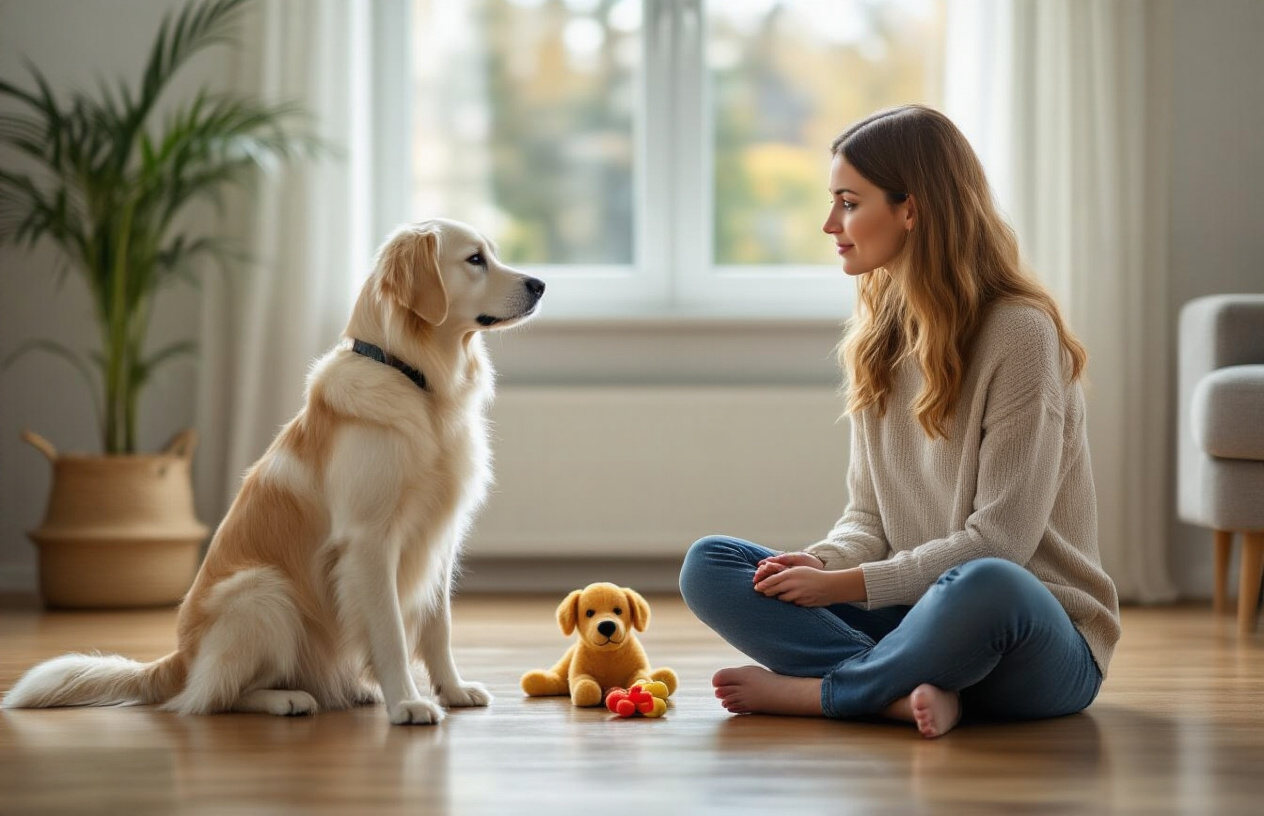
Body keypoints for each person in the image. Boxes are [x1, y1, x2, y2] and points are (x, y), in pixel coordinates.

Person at [677, 104, 1120, 739]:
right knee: (712, 564)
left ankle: (826, 693)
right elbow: (869, 519)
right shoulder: (880, 336)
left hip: (1032, 640)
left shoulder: (1020, 333)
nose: (831, 223)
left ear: (909, 210)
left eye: (849, 203)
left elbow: (1002, 544)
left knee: (989, 582)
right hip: (916, 623)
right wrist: (823, 564)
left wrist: (845, 587)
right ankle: (898, 691)